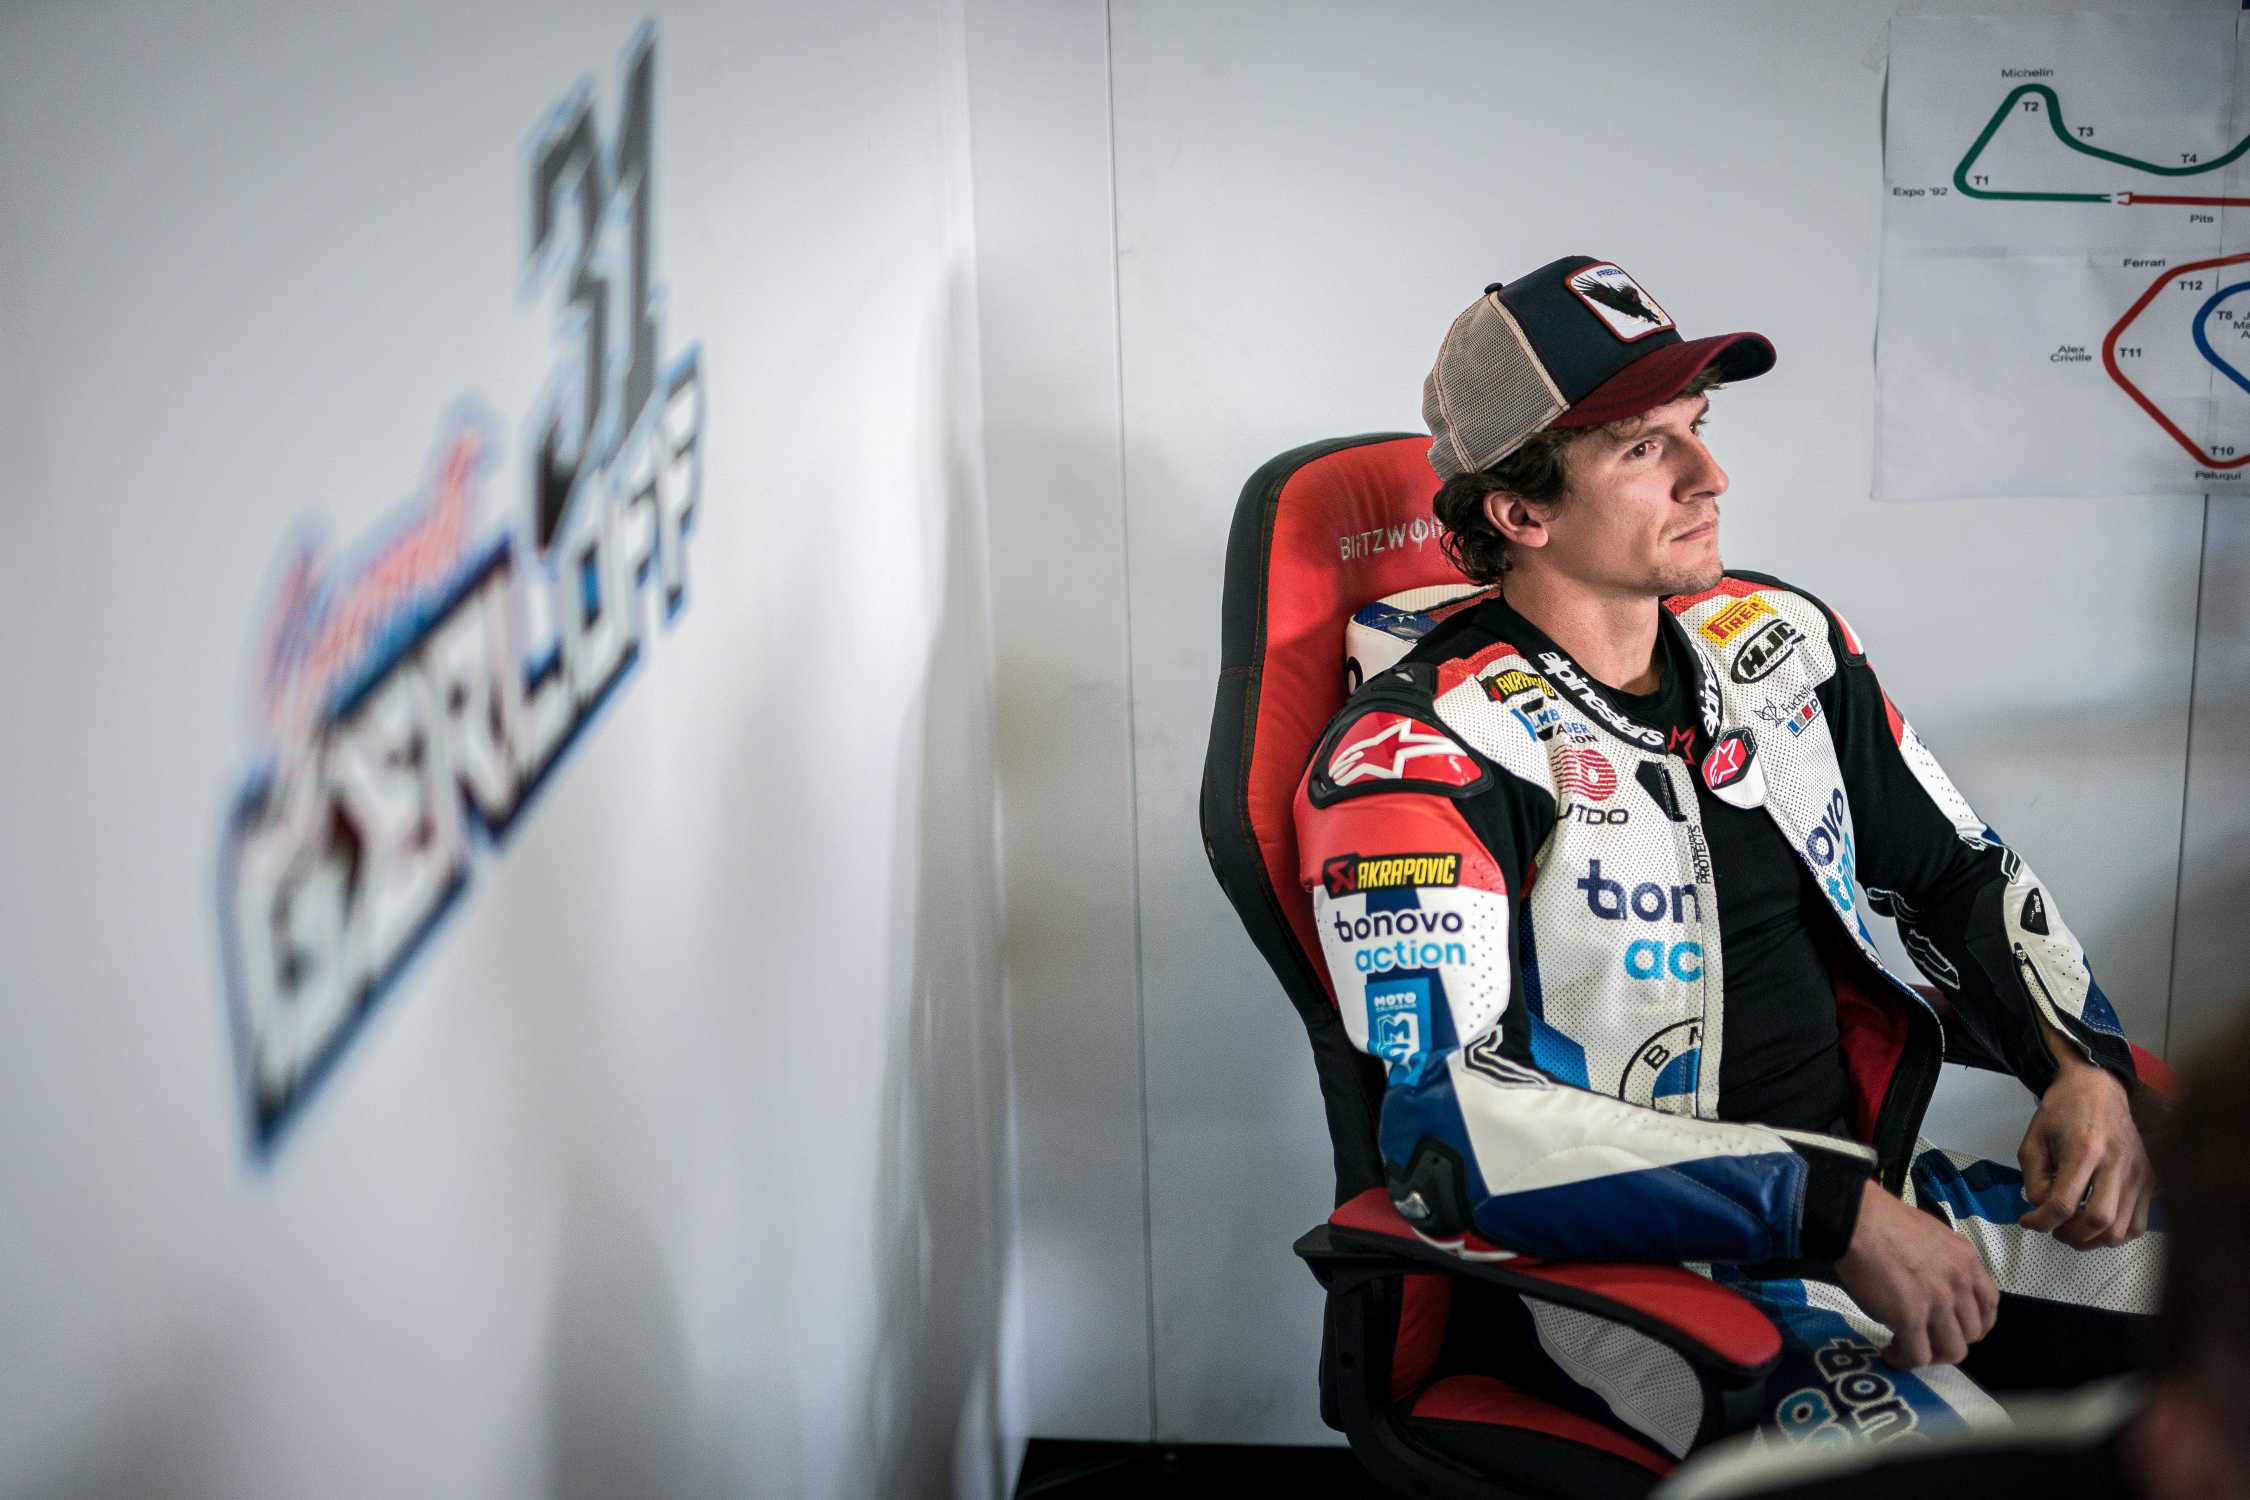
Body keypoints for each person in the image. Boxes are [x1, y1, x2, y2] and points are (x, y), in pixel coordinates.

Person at [1291, 255, 2163, 1457]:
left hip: (1882, 1198)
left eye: (1697, 427)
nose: (1711, 477)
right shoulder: (1416, 752)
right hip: (1645, 1277)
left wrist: (2078, 1065)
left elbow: (1955, 869)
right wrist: (1825, 1209)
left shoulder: (1779, 642)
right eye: (1645, 448)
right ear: (1521, 514)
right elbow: (1454, 1125)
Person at [1650, 1003, 2250, 1500]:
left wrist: (2087, 1068)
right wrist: (1831, 1209)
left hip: (1894, 1179)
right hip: (1720, 1251)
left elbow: (1972, 896)